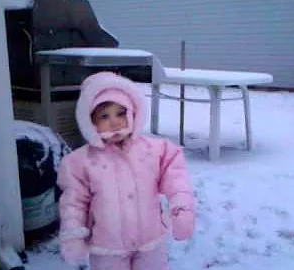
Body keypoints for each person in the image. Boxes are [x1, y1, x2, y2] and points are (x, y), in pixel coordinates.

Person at [56, 71, 195, 270]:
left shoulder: (154, 151)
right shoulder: (80, 162)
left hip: (150, 242)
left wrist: (181, 207)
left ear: (132, 112)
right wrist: (73, 234)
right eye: (104, 116)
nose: (114, 122)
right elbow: (74, 202)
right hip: (107, 247)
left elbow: (177, 178)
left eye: (120, 113)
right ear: (91, 121)